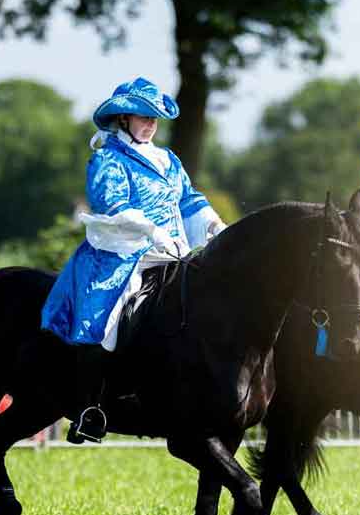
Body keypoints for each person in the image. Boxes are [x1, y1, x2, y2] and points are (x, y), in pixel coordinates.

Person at [40, 76, 226, 443]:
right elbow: (113, 205)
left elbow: (189, 200)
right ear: (123, 118)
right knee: (108, 325)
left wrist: (214, 224)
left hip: (174, 253)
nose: (150, 123)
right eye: (143, 116)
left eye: (154, 117)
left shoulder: (168, 159)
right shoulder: (107, 158)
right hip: (123, 255)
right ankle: (89, 408)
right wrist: (151, 231)